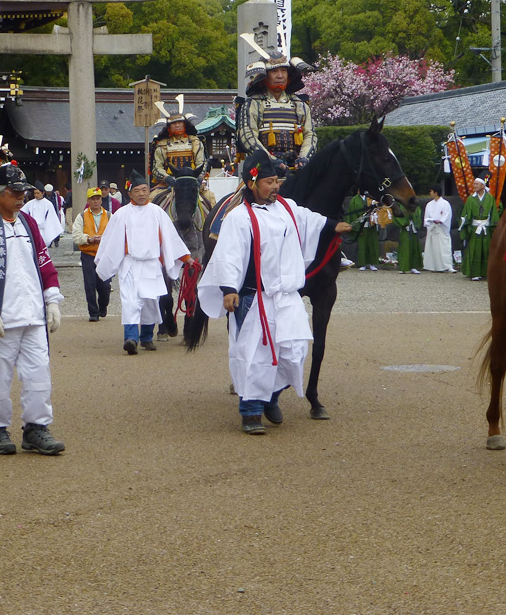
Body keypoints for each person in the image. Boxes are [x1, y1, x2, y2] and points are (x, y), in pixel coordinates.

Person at [197, 151, 352, 433]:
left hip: (287, 296)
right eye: (269, 182)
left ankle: (271, 395)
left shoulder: (287, 207)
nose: (276, 187)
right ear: (252, 183)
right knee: (255, 356)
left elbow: (308, 219)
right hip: (253, 297)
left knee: (295, 350)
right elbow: (229, 255)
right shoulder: (238, 218)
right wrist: (229, 289)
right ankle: (251, 412)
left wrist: (332, 225)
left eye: (277, 181)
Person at [0, 163, 65, 457]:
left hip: (33, 317)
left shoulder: (28, 223)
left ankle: (36, 427)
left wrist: (52, 299)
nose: (21, 197)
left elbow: (44, 262)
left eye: (23, 192)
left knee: (39, 375)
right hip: (1, 319)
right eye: (15, 192)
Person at [94, 171, 190, 354]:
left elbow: (171, 238)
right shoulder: (121, 214)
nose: (141, 194)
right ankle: (131, 338)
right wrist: (103, 263)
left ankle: (146, 337)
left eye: (144, 190)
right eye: (137, 191)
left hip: (151, 264)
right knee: (130, 301)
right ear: (130, 193)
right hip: (130, 264)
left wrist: (186, 258)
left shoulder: (157, 212)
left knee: (150, 302)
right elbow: (110, 240)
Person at [236, 37, 317, 169]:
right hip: (264, 168)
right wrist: (270, 160)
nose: (280, 75)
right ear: (264, 76)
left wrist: (303, 158)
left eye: (283, 71)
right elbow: (248, 135)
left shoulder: (299, 103)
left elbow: (309, 134)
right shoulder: (254, 103)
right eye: (274, 71)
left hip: (296, 166)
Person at [72, 187, 112, 322]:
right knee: (89, 284)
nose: (95, 201)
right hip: (88, 254)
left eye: (98, 198)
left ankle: (103, 305)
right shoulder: (82, 216)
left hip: (104, 255)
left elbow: (115, 234)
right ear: (88, 201)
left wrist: (104, 240)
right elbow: (76, 236)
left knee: (105, 285)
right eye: (93, 199)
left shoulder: (110, 216)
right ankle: (93, 312)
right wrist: (89, 239)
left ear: (101, 200)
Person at [151, 107, 206, 186]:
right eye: (173, 123)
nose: (177, 125)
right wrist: (167, 178)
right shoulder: (162, 145)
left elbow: (201, 163)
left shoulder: (195, 142)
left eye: (180, 122)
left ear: (184, 124)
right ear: (168, 127)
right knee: (153, 194)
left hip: (192, 181)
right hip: (169, 183)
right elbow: (157, 167)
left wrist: (199, 177)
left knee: (209, 194)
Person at [458, 176, 497, 281]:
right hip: (474, 228)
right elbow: (466, 214)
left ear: (483, 186)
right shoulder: (471, 199)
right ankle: (475, 273)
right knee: (475, 251)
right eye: (474, 184)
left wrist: (494, 227)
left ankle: (486, 273)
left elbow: (494, 214)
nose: (474, 186)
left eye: (476, 184)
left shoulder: (490, 198)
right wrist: (466, 227)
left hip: (486, 228)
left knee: (486, 250)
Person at [422, 186, 455, 273]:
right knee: (433, 248)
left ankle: (447, 266)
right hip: (432, 228)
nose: (430, 193)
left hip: (441, 228)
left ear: (436, 192)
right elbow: (426, 217)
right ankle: (433, 266)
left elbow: (447, 215)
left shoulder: (445, 203)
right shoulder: (429, 204)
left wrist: (441, 221)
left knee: (444, 248)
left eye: (431, 191)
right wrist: (429, 222)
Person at [345, 192, 381, 271]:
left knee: (372, 244)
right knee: (362, 245)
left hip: (371, 224)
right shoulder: (354, 200)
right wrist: (357, 228)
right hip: (361, 224)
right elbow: (353, 215)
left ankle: (372, 263)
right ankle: (363, 264)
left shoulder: (371, 198)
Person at [21, 185, 62, 249]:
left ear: (43, 193)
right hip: (33, 228)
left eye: (38, 193)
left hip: (44, 228)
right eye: (35, 193)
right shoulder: (30, 203)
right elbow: (22, 212)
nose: (36, 195)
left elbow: (52, 217)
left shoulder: (48, 204)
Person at [393, 199, 425, 275]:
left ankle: (414, 267)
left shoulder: (416, 205)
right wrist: (404, 223)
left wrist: (415, 222)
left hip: (413, 229)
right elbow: (397, 215)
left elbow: (418, 215)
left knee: (414, 248)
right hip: (405, 230)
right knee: (404, 248)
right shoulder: (400, 205)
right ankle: (403, 267)